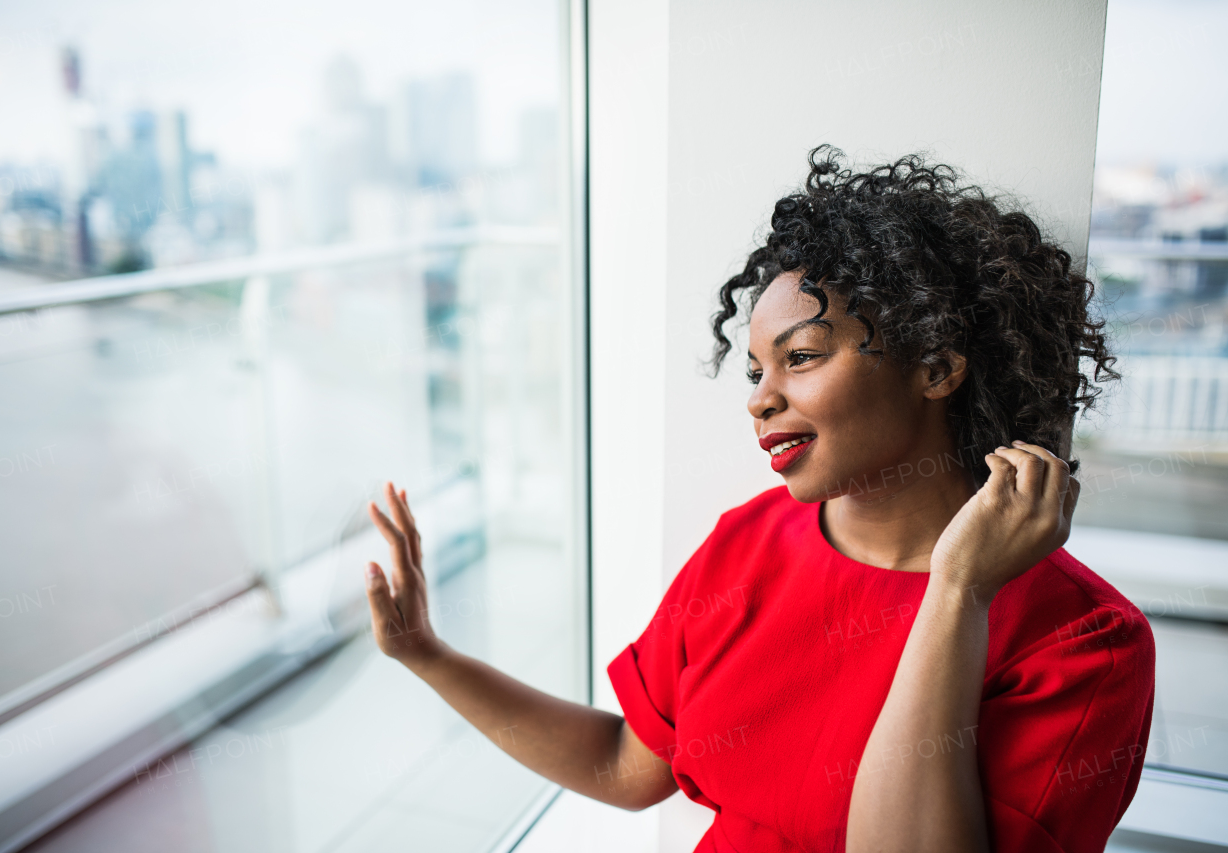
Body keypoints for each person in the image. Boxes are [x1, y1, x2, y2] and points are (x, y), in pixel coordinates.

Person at [361, 147, 1155, 853]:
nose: (760, 400)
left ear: (938, 369)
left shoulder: (1085, 643)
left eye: (800, 357)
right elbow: (626, 767)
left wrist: (957, 592)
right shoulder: (747, 543)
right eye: (754, 372)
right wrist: (428, 653)